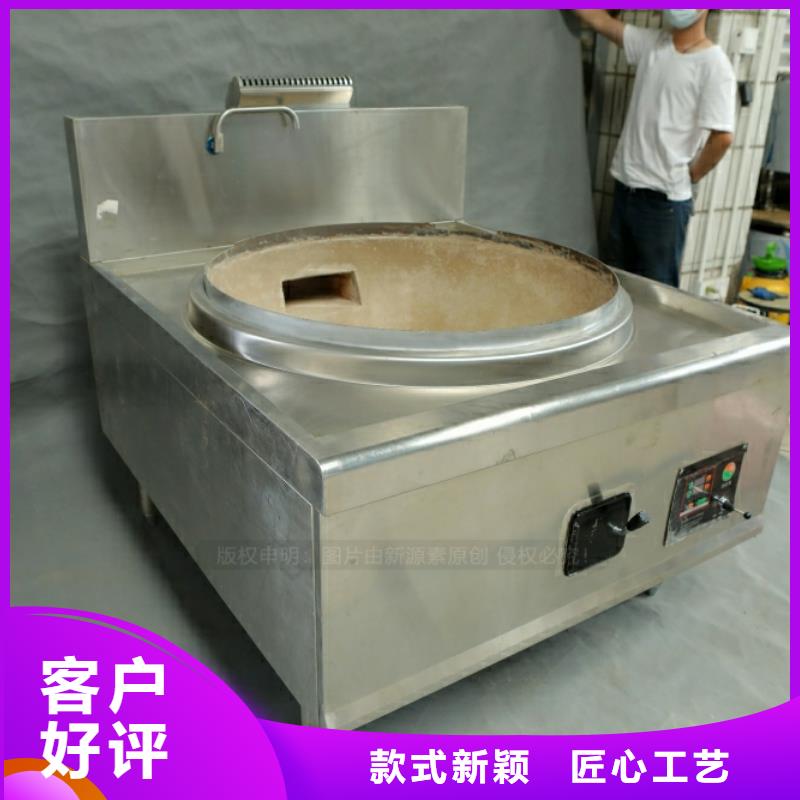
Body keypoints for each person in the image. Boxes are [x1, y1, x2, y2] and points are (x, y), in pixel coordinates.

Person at [574, 9, 736, 287]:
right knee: (615, 287)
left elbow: (722, 137)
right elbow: (600, 21)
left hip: (664, 203)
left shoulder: (714, 65)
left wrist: (692, 175)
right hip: (626, 189)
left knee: (656, 293)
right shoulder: (652, 43)